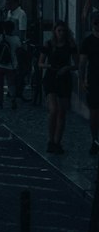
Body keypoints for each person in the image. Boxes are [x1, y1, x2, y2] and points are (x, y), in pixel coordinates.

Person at [39, 20, 78, 153]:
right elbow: (40, 62)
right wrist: (49, 66)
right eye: (59, 31)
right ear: (55, 32)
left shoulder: (70, 45)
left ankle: (57, 141)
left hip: (64, 79)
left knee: (62, 112)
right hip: (51, 78)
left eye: (63, 31)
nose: (61, 33)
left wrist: (67, 67)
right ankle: (50, 140)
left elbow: (77, 64)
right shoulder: (49, 44)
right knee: (53, 110)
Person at [78, 13, 99, 154]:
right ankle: (95, 140)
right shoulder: (88, 41)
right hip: (94, 79)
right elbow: (83, 62)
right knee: (94, 112)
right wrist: (82, 79)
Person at [0, 19, 22, 110]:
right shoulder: (16, 39)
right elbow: (19, 51)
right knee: (11, 84)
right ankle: (13, 99)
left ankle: (0, 102)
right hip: (11, 66)